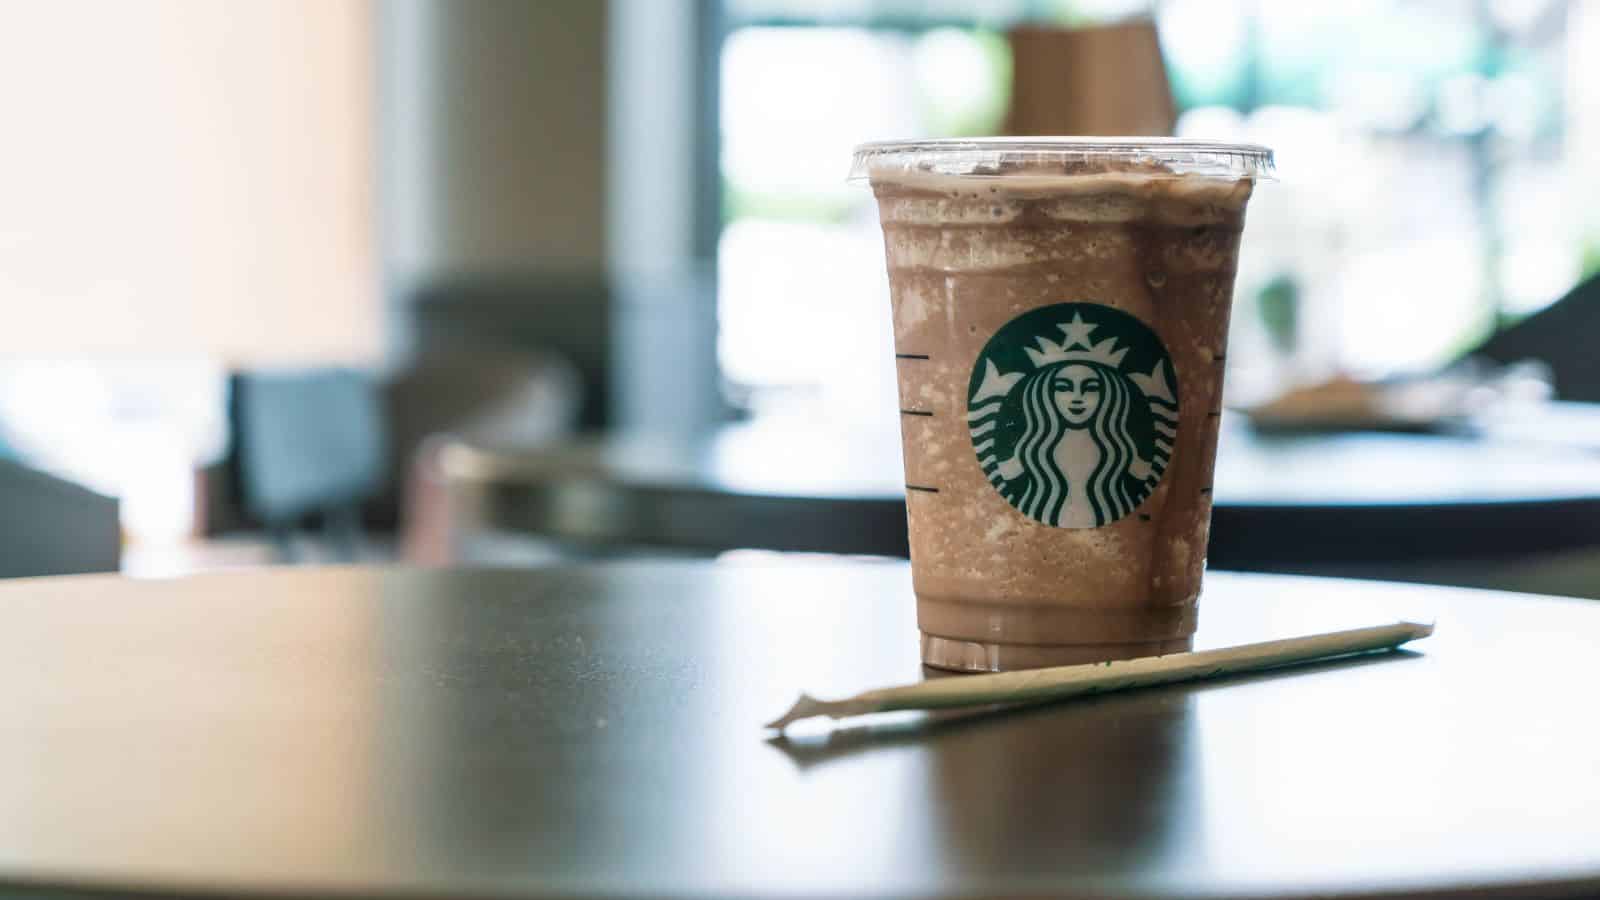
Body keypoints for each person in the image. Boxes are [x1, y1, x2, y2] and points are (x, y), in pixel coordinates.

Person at [983, 360, 1162, 527]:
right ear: (1047, 395)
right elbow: (1002, 473)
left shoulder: (1120, 448)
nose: (1077, 397)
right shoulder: (1032, 447)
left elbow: (1145, 474)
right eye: (1063, 388)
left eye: (1090, 388)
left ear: (1107, 396)